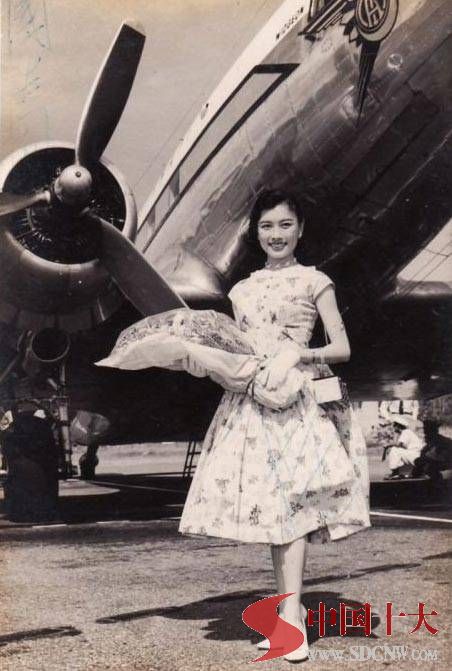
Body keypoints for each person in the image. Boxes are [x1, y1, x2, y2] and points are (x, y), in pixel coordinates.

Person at [178, 189, 370, 662]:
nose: (276, 234)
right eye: (267, 226)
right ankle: (290, 611)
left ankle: (291, 620)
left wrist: (297, 355)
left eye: (285, 225)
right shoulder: (241, 291)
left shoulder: (315, 281)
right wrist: (210, 364)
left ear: (300, 229)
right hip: (252, 405)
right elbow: (240, 350)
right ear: (255, 232)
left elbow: (342, 348)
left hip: (298, 403)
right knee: (273, 515)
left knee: (292, 511)